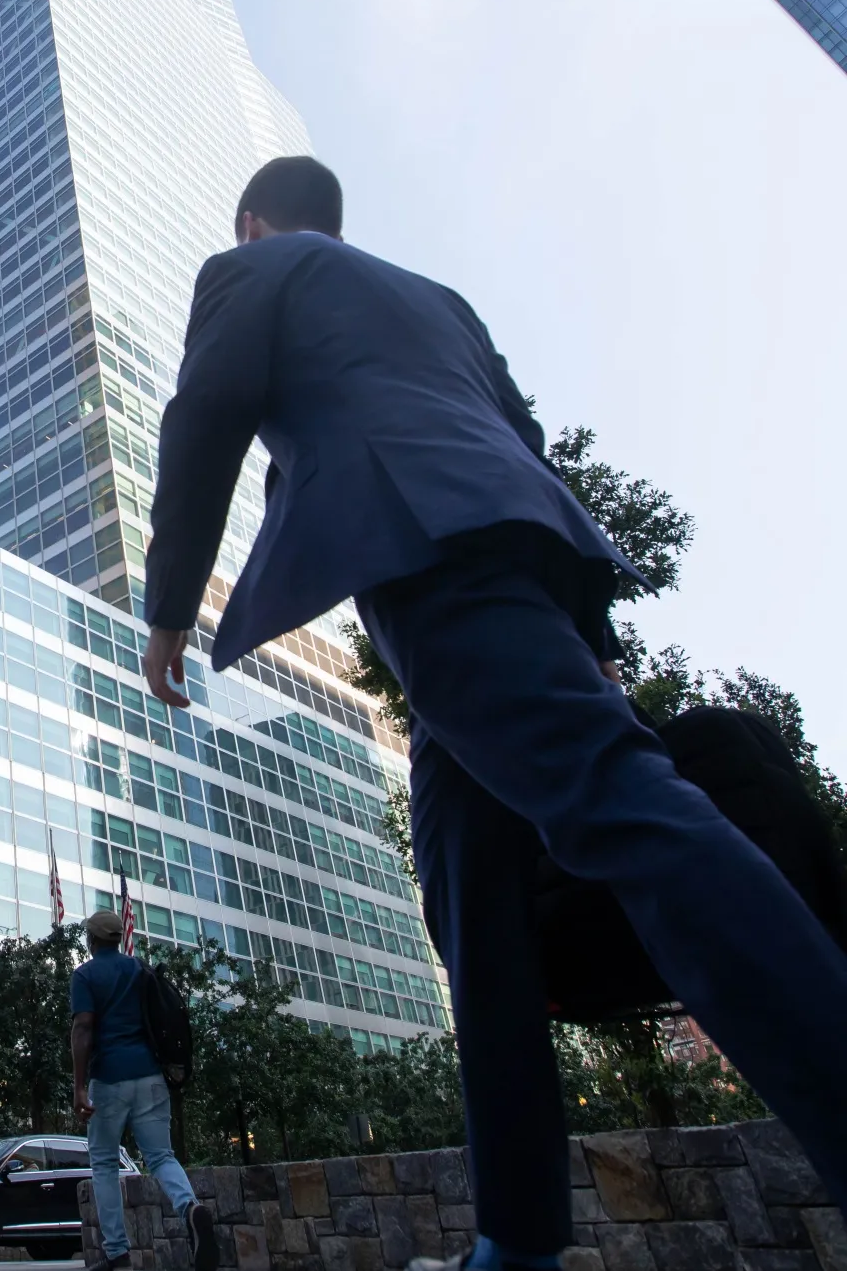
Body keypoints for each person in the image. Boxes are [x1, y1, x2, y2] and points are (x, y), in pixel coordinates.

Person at [137, 155, 847, 1271]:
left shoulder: (249, 268)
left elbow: (205, 410)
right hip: (518, 556)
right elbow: (524, 445)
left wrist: (168, 608)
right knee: (473, 912)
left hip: (424, 554)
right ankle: (516, 1234)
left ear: (250, 220)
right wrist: (588, 641)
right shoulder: (435, 298)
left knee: (621, 806)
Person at [69, 910, 213, 1271]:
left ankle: (116, 1252)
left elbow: (83, 1029)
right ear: (119, 938)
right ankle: (190, 1208)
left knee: (103, 1163)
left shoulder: (85, 975)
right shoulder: (139, 970)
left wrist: (79, 1086)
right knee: (161, 1156)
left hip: (109, 1080)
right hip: (150, 1075)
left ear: (91, 940)